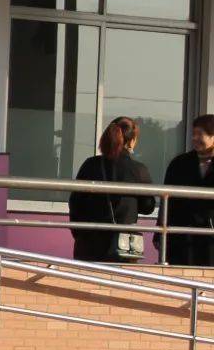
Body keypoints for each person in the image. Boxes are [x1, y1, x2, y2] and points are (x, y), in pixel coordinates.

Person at [69, 117, 154, 264]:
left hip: (89, 242)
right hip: (124, 244)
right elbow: (148, 207)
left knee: (86, 284)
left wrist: (79, 233)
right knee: (121, 284)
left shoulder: (90, 164)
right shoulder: (138, 170)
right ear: (131, 141)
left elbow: (75, 202)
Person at [164, 114, 214, 266]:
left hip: (210, 236)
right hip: (183, 235)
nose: (195, 138)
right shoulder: (180, 163)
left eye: (201, 134)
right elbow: (167, 198)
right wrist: (160, 233)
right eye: (194, 134)